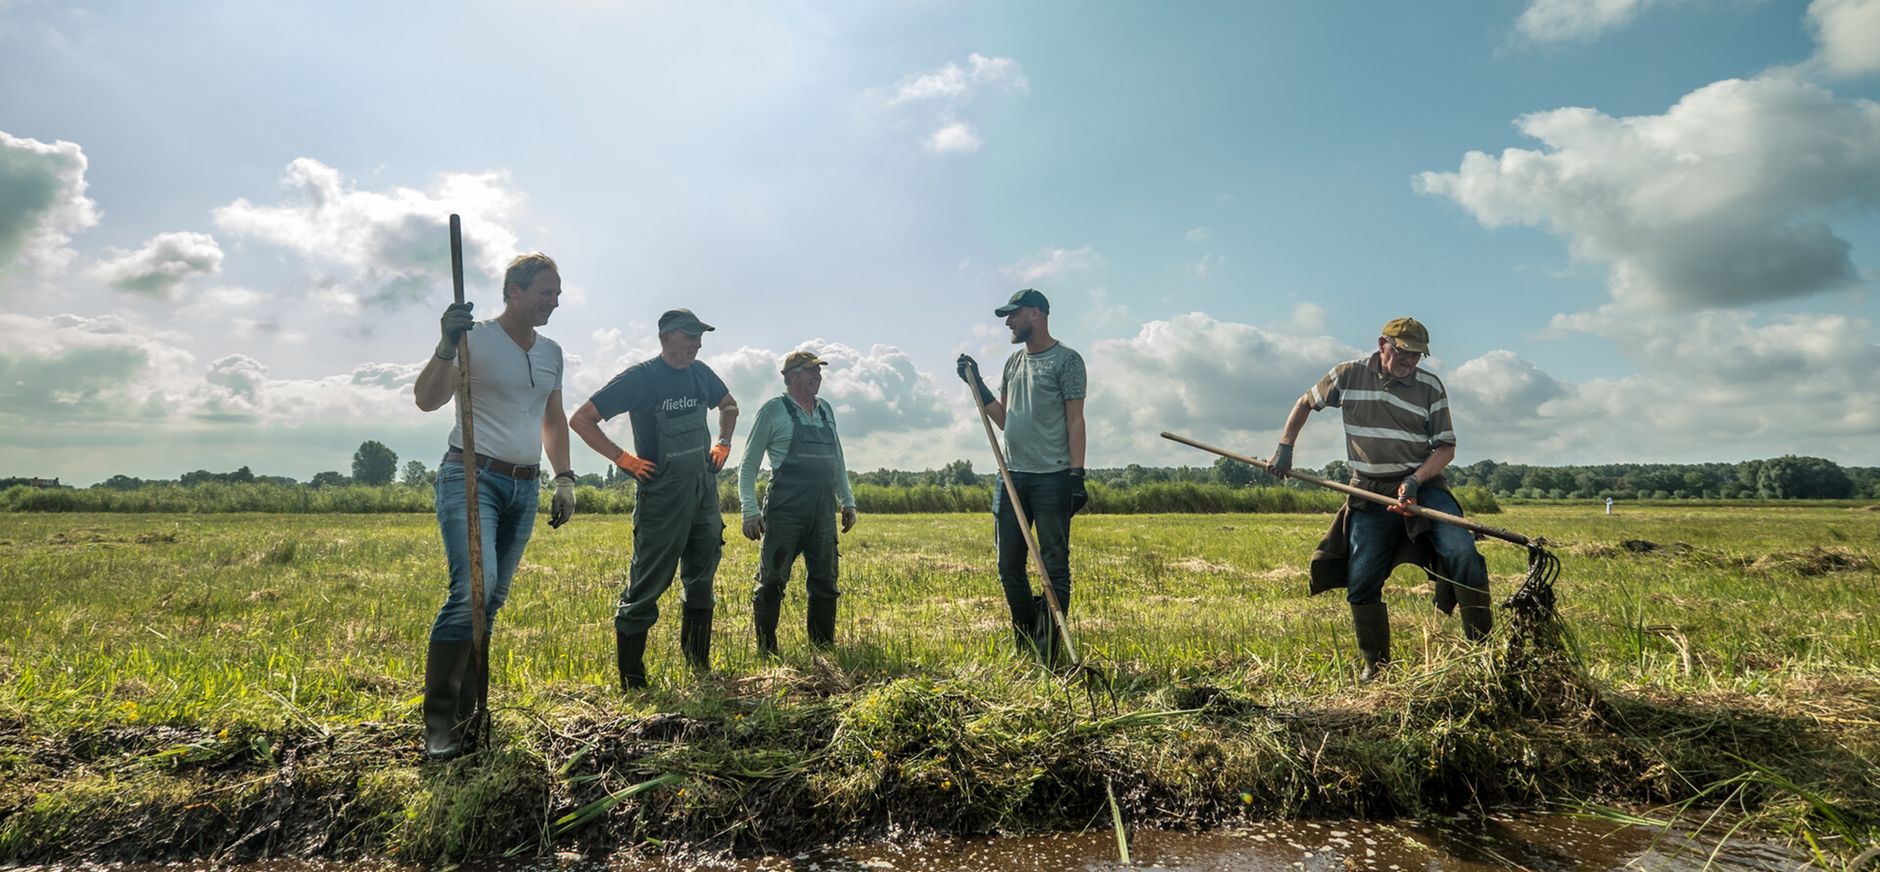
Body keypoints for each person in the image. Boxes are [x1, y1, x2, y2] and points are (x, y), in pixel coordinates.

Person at [413, 251, 575, 759]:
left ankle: (469, 717)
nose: (554, 301)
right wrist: (446, 344)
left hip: (524, 486)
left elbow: (553, 418)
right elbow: (427, 399)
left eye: (558, 293)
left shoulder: (552, 352)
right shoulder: (473, 338)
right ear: (513, 291)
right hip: (471, 475)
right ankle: (440, 724)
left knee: (493, 599)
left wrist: (564, 479)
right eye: (545, 292)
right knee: (471, 594)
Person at [1270, 316, 1490, 682]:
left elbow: (1445, 447)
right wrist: (1285, 448)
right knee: (1362, 579)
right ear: (1382, 344)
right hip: (1369, 491)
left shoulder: (1430, 386)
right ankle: (1376, 666)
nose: (1409, 361)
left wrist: (1415, 480)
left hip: (1424, 486)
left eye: (1417, 355)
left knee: (1461, 550)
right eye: (1403, 352)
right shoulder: (1347, 375)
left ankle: (1483, 654)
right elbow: (1306, 402)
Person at [570, 309, 737, 689]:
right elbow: (581, 419)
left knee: (701, 581)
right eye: (690, 336)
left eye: (699, 337)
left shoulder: (702, 374)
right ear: (666, 337)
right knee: (646, 585)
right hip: (662, 497)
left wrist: (724, 443)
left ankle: (699, 670)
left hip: (703, 493)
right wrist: (623, 459)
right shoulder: (641, 378)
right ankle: (633, 683)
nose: (697, 344)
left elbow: (729, 405)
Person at [955, 289, 1088, 663]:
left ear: (1035, 313)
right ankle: (1027, 638)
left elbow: (1075, 420)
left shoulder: (1068, 361)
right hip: (1011, 476)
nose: (1008, 323)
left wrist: (1076, 475)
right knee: (1008, 566)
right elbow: (1004, 419)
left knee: (1054, 566)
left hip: (1053, 477)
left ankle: (1048, 648)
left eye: (1013, 315)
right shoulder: (1013, 363)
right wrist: (976, 383)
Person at [736, 350, 859, 655]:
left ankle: (823, 650)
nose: (818, 376)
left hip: (822, 510)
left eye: (819, 371)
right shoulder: (772, 411)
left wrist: (847, 501)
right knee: (771, 581)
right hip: (785, 511)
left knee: (825, 582)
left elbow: (837, 458)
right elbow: (748, 466)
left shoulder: (825, 410)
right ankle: (767, 651)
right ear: (791, 377)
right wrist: (750, 510)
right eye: (810, 371)